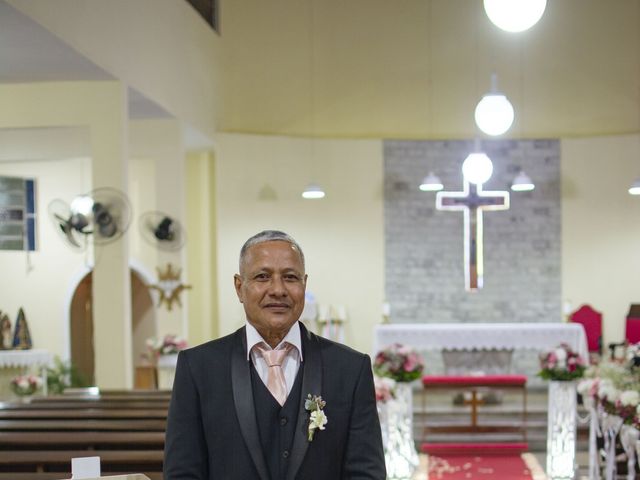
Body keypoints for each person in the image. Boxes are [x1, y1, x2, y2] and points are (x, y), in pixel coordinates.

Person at [164, 230, 386, 479]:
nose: (278, 289)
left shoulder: (350, 369)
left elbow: (366, 472)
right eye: (262, 276)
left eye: (290, 277)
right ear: (239, 287)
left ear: (304, 285)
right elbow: (183, 472)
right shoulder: (198, 368)